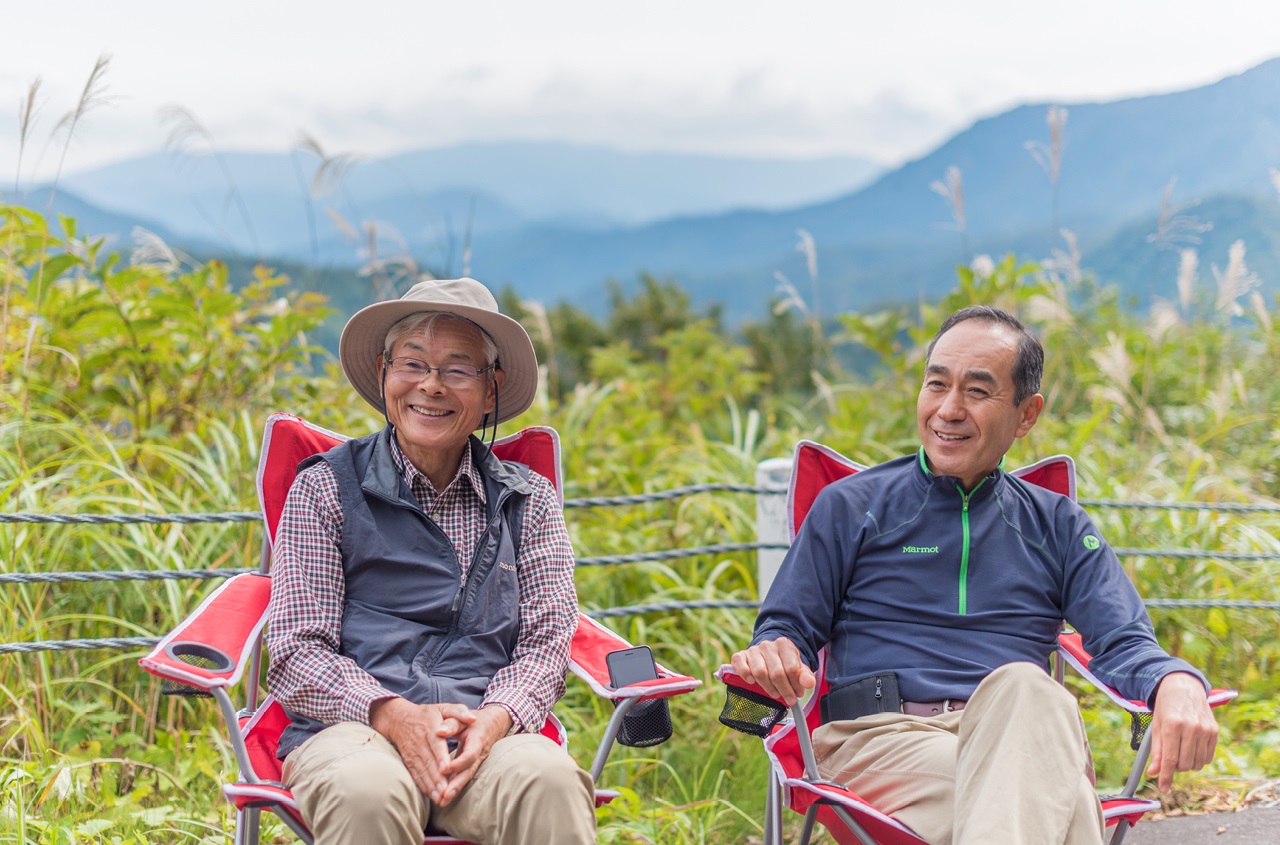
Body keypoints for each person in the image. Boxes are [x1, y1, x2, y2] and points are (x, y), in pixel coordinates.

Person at [731, 305, 1219, 845]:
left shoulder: (1056, 526)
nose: (948, 409)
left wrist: (1177, 680)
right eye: (936, 385)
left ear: (1026, 415)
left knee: (1025, 688)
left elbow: (1124, 641)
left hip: (1022, 733)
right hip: (879, 742)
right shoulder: (851, 506)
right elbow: (785, 629)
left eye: (978, 392)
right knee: (1065, 800)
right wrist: (774, 651)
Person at [265, 277, 596, 845]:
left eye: (458, 369)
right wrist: (393, 713)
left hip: (484, 731)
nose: (431, 386)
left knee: (550, 781)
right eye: (412, 364)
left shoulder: (528, 499)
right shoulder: (324, 489)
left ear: (491, 391)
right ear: (383, 373)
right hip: (356, 728)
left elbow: (546, 645)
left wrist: (493, 721)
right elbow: (296, 649)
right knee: (366, 792)